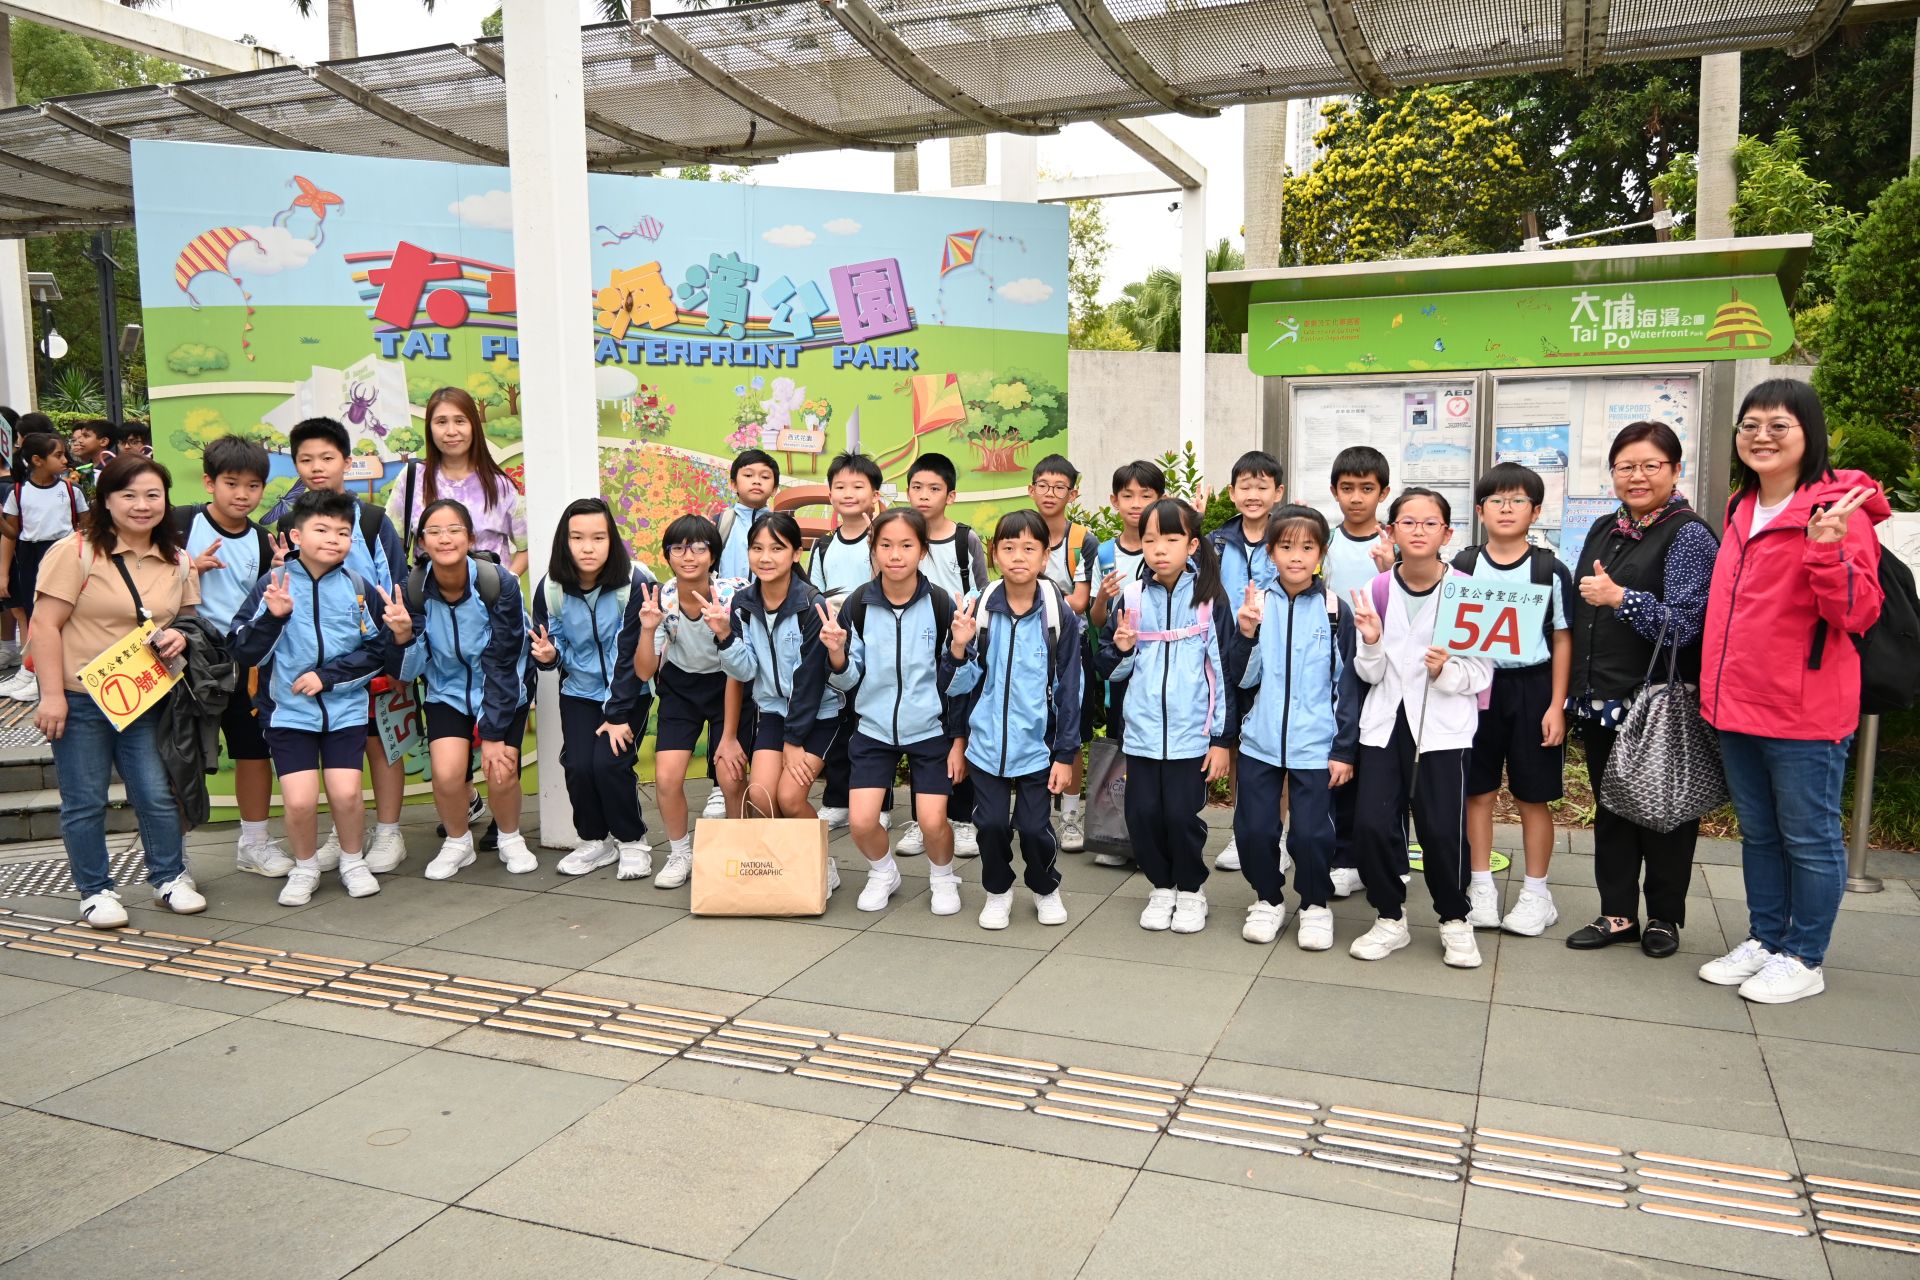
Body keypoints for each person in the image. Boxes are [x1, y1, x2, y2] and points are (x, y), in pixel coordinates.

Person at [1697, 380, 1886, 1005]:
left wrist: (1827, 551)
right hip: (1736, 702)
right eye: (1750, 425)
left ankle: (1804, 956)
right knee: (1760, 834)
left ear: (1810, 434)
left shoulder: (1837, 510)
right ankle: (1766, 938)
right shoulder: (1741, 505)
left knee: (1809, 838)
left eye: (1779, 425)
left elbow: (1859, 614)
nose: (1762, 436)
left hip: (1804, 708)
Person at [31, 455, 206, 927]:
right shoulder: (76, 552)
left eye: (152, 495)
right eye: (128, 495)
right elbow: (44, 625)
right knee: (85, 800)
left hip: (145, 697)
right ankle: (95, 890)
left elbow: (189, 620)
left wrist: (180, 635)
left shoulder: (178, 559)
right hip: (80, 699)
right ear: (105, 501)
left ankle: (169, 877)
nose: (141, 505)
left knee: (155, 793)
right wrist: (52, 696)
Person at [1565, 420, 1717, 960]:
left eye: (1651, 465)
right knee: (1612, 807)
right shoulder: (1605, 526)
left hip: (1656, 703)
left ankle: (1665, 918)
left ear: (1675, 471)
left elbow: (1686, 624)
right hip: (1602, 698)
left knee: (1665, 809)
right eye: (1626, 466)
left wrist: (1621, 598)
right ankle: (1618, 914)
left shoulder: (1688, 534)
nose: (1637, 476)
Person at [1346, 487, 1493, 968]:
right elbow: (1367, 673)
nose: (1418, 531)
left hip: (1442, 731)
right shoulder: (1376, 589)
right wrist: (1371, 642)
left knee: (1442, 829)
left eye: (1430, 523)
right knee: (1373, 824)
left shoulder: (1468, 592)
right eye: (1407, 522)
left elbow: (1481, 674)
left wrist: (1445, 670)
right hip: (1385, 725)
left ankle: (1454, 918)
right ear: (1392, 531)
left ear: (1447, 534)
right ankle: (1390, 916)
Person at [230, 489, 399, 908]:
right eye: (321, 530)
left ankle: (352, 861)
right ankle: (304, 867)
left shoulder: (358, 587)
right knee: (300, 800)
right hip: (288, 713)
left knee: (346, 794)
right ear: (296, 536)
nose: (333, 539)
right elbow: (243, 650)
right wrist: (274, 618)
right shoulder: (272, 585)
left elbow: (377, 651)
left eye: (342, 532)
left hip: (345, 710)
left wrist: (327, 677)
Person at [277, 417, 410, 873]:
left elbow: (396, 584)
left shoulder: (370, 520)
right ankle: (342, 834)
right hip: (310, 668)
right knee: (337, 757)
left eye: (327, 458)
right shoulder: (286, 522)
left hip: (371, 653)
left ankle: (389, 833)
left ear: (346, 462)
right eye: (306, 459)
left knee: (383, 740)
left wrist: (396, 648)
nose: (317, 467)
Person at [1097, 498, 1235, 934]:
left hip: (1191, 735)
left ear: (1192, 545)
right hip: (1142, 734)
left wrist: (1220, 740)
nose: (1159, 549)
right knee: (1141, 816)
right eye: (1150, 539)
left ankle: (1191, 890)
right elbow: (1109, 669)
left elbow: (1224, 672)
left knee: (1180, 816)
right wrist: (1122, 649)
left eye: (1172, 539)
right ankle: (1162, 887)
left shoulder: (1210, 601)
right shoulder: (1131, 598)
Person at [825, 509, 970, 913]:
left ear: (922, 551)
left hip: (929, 730)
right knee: (861, 821)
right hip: (873, 729)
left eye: (906, 545)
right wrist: (836, 655)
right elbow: (846, 680)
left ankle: (943, 877)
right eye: (885, 545)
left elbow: (959, 684)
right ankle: (883, 872)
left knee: (932, 821)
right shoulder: (858, 604)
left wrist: (959, 649)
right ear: (873, 549)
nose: (895, 554)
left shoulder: (940, 603)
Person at [1228, 504, 1361, 948]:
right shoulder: (1257, 605)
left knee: (1311, 834)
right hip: (1260, 741)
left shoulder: (1334, 610)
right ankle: (1267, 899)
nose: (1296, 556)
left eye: (1307, 547)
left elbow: (1348, 684)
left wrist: (1343, 748)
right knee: (1254, 830)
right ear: (1271, 553)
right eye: (1286, 547)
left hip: (1316, 744)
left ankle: (1315, 905)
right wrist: (1246, 634)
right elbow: (1241, 678)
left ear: (1321, 554)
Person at [1458, 462, 1574, 938]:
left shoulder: (1549, 569)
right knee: (1478, 792)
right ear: (1480, 510)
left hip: (1533, 688)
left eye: (1518, 500)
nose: (1507, 509)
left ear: (1536, 511)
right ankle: (1480, 886)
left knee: (1533, 794)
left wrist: (1557, 705)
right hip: (1477, 688)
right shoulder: (1464, 565)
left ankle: (1536, 893)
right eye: (1497, 500)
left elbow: (1563, 637)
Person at [394, 498, 536, 880]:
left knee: (501, 771)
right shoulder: (413, 588)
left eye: (454, 530)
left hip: (501, 688)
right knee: (446, 775)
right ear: (422, 542)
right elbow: (411, 668)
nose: (445, 538)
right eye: (434, 531)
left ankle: (510, 837)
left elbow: (504, 660)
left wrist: (492, 734)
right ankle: (458, 843)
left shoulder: (498, 584)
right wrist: (405, 637)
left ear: (470, 537)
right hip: (447, 690)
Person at [955, 510, 1083, 929]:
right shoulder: (979, 608)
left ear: (1045, 556)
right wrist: (958, 649)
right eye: (1008, 547)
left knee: (1032, 828)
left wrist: (1065, 753)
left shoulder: (1057, 614)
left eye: (1029, 548)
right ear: (994, 554)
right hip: (986, 743)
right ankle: (998, 890)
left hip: (1038, 746)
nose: (1018, 557)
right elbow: (957, 686)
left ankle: (1045, 887)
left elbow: (1070, 688)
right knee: (990, 824)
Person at [176, 436, 289, 876]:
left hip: (242, 661)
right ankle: (173, 858)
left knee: (253, 751)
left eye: (253, 486)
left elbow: (262, 605)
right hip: (184, 659)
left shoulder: (262, 540)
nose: (242, 494)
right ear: (209, 482)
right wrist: (188, 569)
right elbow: (146, 580)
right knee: (180, 755)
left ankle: (254, 844)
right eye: (231, 483)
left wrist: (279, 575)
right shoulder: (180, 524)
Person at [530, 498, 656, 879]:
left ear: (611, 540)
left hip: (630, 692)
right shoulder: (551, 588)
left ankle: (632, 841)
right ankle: (596, 841)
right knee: (579, 765)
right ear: (564, 541)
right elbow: (550, 645)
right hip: (579, 692)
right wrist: (549, 656)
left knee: (610, 763)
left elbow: (629, 652)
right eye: (578, 538)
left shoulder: (635, 582)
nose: (588, 547)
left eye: (598, 537)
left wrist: (617, 714)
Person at [714, 512, 843, 855]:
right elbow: (745, 671)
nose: (765, 557)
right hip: (773, 711)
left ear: (796, 553)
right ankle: (785, 864)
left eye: (777, 548)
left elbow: (810, 680)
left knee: (790, 798)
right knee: (760, 798)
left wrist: (793, 741)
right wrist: (725, 637)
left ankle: (821, 865)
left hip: (818, 715)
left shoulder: (811, 605)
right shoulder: (743, 603)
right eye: (757, 548)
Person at [636, 514, 749, 890]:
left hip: (727, 683)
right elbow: (644, 670)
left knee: (731, 775)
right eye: (679, 548)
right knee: (667, 778)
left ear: (713, 555)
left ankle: (738, 850)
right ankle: (680, 853)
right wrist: (648, 629)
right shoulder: (661, 600)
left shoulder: (732, 595)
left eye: (699, 548)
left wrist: (728, 737)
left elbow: (738, 668)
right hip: (680, 688)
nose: (689, 556)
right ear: (667, 555)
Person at [1321, 445, 1397, 898]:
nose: (1356, 497)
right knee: (1344, 755)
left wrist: (1392, 567)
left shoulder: (1395, 543)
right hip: (1337, 668)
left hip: (1388, 666)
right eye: (1347, 488)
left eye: (1366, 489)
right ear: (1334, 491)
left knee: (1387, 763)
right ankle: (1344, 856)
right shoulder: (1324, 544)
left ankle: (1390, 856)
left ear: (1383, 492)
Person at [905, 452, 987, 859]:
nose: (924, 495)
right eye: (917, 487)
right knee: (920, 732)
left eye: (934, 488)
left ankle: (964, 819)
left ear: (950, 496)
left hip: (958, 651)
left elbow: (983, 593)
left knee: (960, 730)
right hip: (914, 651)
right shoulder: (902, 534)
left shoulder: (964, 540)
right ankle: (920, 820)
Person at [1208, 449, 1285, 874]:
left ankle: (1280, 835)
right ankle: (1241, 834)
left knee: (1277, 746)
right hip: (1229, 655)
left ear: (1278, 492)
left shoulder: (1288, 535)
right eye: (1245, 486)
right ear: (1232, 492)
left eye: (1262, 486)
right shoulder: (1217, 541)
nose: (1253, 494)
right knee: (1236, 745)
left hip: (1276, 655)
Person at [1086, 460, 1166, 868]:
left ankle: (1155, 838)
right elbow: (1096, 620)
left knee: (1158, 752)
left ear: (1160, 499)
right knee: (1122, 747)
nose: (1136, 504)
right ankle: (1119, 837)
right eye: (1128, 496)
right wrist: (1102, 596)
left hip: (1161, 662)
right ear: (1114, 500)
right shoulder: (1104, 552)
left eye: (1146, 496)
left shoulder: (1167, 546)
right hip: (1120, 663)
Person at [1030, 454, 1099, 852]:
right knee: (1031, 727)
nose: (1050, 493)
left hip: (1071, 648)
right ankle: (1036, 812)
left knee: (1071, 730)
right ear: (1031, 489)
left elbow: (1081, 601)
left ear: (1072, 494)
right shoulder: (1021, 529)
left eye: (1059, 487)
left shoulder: (1082, 541)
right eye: (1043, 485)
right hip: (1025, 647)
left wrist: (1037, 599)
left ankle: (1070, 816)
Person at [811, 450, 882, 833]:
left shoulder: (883, 540)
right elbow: (815, 597)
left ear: (875, 494)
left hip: (878, 645)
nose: (849, 493)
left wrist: (877, 545)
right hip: (837, 645)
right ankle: (838, 798)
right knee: (838, 722)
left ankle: (879, 802)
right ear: (830, 494)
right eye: (840, 487)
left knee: (873, 725)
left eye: (858, 486)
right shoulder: (823, 546)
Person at [386, 386, 529, 574]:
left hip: (490, 592)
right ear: (430, 428)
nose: (451, 431)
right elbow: (390, 542)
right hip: (428, 592)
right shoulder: (412, 478)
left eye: (460, 421)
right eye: (441, 422)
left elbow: (527, 547)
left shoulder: (499, 485)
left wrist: (507, 583)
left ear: (473, 426)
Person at [0, 432, 87, 703]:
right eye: (58, 455)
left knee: (65, 612)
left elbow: (86, 525)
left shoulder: (71, 490)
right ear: (37, 460)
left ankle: (49, 673)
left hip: (64, 551)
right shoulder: (18, 492)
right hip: (30, 554)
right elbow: (13, 533)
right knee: (34, 612)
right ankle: (34, 672)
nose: (65, 460)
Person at [717, 448, 778, 581]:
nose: (757, 481)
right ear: (733, 485)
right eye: (749, 475)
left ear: (774, 489)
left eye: (765, 477)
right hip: (726, 595)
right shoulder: (719, 523)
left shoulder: (781, 527)